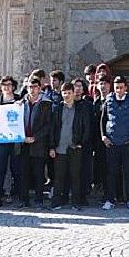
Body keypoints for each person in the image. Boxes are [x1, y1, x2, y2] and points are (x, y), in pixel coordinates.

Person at [49, 82, 92, 210]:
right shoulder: (57, 109)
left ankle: (76, 202)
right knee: (59, 176)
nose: (66, 95)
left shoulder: (81, 109)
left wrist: (81, 143)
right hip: (60, 147)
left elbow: (86, 128)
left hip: (74, 147)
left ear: (74, 93)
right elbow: (53, 129)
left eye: (69, 93)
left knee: (75, 176)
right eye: (64, 93)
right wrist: (52, 146)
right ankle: (57, 202)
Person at [100, 76, 129, 210]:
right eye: (117, 87)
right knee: (111, 173)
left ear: (126, 87)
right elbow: (103, 119)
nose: (119, 90)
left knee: (128, 172)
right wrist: (103, 136)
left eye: (121, 87)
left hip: (127, 143)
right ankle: (110, 200)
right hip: (111, 142)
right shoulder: (108, 100)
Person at [18, 77, 53, 209]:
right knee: (23, 173)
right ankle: (23, 200)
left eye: (35, 87)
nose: (32, 89)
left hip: (39, 144)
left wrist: (35, 137)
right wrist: (22, 136)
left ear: (39, 88)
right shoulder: (20, 104)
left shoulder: (46, 104)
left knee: (39, 174)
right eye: (30, 87)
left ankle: (39, 200)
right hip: (23, 143)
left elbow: (48, 125)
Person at [0, 76, 21, 207]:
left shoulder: (20, 100)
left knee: (17, 169)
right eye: (4, 85)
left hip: (16, 141)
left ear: (13, 86)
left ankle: (20, 197)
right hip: (1, 140)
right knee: (0, 169)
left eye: (9, 84)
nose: (7, 87)